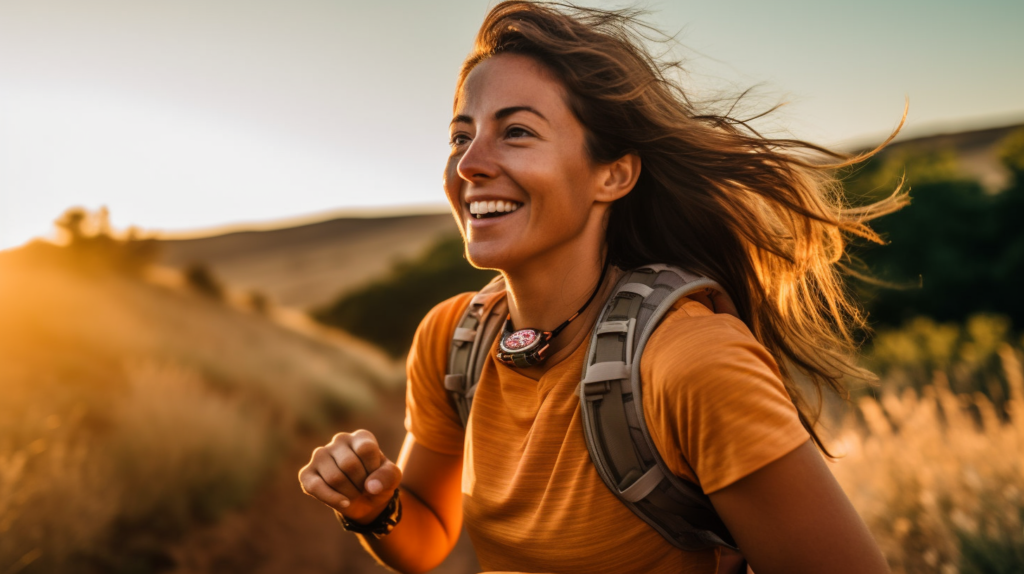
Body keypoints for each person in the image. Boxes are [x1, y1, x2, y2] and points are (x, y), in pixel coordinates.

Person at [299, 2, 904, 573]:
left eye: (516, 133)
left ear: (612, 174)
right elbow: (427, 538)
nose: (468, 164)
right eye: (461, 136)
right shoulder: (452, 340)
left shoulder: (692, 362)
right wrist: (374, 510)